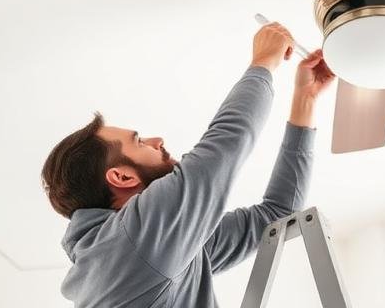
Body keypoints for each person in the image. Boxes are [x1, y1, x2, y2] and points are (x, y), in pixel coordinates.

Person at [41, 22, 336, 307]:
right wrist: (263, 62)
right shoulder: (133, 242)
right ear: (121, 176)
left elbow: (277, 215)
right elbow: (224, 145)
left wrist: (305, 100)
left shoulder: (159, 248)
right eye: (139, 141)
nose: (157, 140)